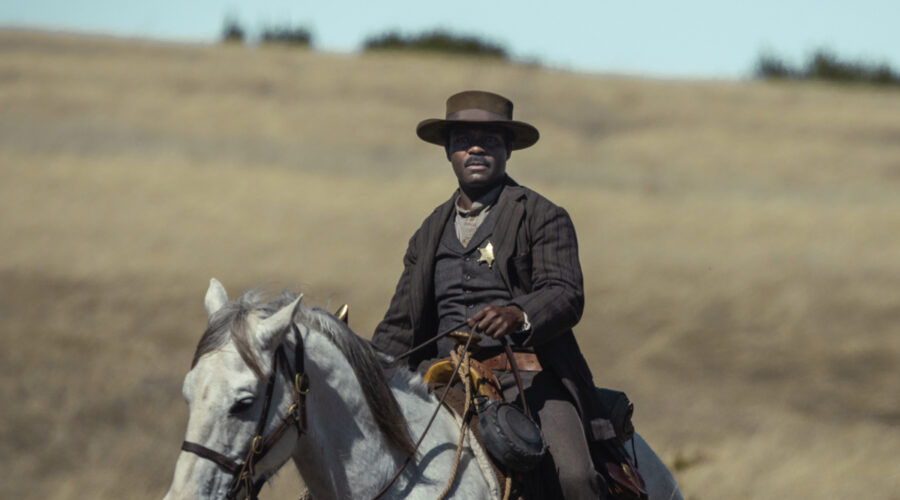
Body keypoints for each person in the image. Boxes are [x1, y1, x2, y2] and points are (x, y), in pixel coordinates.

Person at [372, 90, 609, 499]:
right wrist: (365, 369)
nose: (476, 149)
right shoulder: (427, 233)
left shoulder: (542, 214)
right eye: (463, 141)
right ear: (448, 151)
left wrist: (519, 313)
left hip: (528, 378)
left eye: (491, 141)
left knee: (576, 478)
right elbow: (400, 325)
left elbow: (566, 293)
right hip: (438, 379)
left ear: (509, 151)